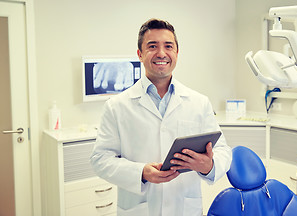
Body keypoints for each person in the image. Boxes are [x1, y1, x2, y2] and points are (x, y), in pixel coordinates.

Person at [90, 18, 232, 216]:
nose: (161, 53)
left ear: (177, 53)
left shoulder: (199, 102)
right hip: (139, 209)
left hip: (185, 208)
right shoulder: (117, 106)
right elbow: (100, 159)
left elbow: (223, 150)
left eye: (168, 46)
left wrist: (209, 165)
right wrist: (141, 173)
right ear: (140, 54)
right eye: (152, 46)